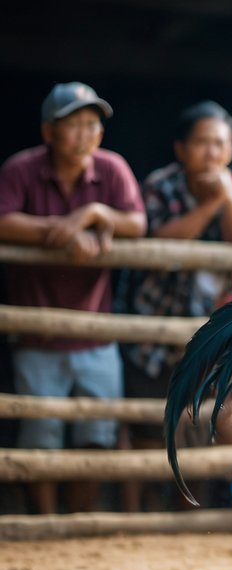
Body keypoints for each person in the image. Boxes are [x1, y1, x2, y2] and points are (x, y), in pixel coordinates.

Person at [0, 82, 146, 515]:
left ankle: (81, 522)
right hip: (37, 335)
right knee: (41, 437)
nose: (85, 134)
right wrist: (58, 231)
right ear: (48, 132)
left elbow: (138, 224)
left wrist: (95, 213)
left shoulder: (112, 168)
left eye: (92, 124)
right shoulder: (21, 169)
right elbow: (2, 220)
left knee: (97, 438)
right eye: (73, 125)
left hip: (96, 332)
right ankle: (45, 523)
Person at [118, 100, 232, 509]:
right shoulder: (160, 184)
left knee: (212, 417)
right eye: (202, 142)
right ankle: (137, 515)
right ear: (180, 149)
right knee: (148, 426)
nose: (212, 152)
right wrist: (212, 203)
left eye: (220, 143)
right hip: (156, 324)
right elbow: (163, 242)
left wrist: (227, 196)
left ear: (231, 148)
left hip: (215, 328)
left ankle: (196, 514)